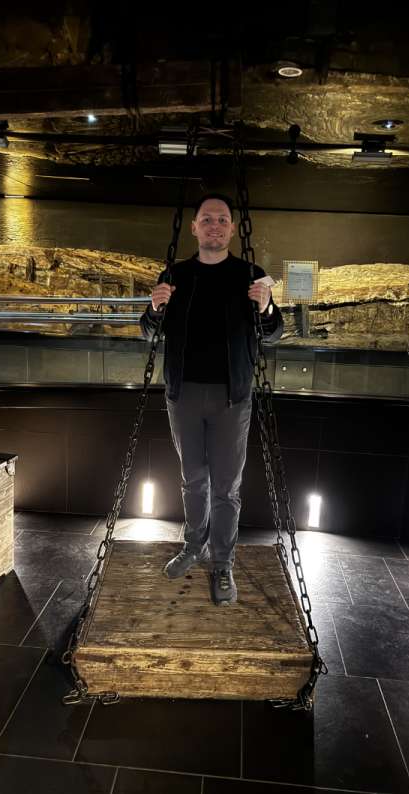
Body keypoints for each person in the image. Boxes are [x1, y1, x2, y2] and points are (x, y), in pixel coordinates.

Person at [140, 193, 284, 606]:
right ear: (195, 227)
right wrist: (153, 309)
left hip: (231, 397)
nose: (215, 226)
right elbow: (149, 332)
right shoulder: (176, 274)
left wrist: (268, 307)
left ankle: (222, 562)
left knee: (226, 486)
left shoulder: (250, 275)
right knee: (192, 479)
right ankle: (193, 545)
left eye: (222, 220)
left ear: (232, 229)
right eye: (207, 219)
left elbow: (273, 333)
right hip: (183, 394)